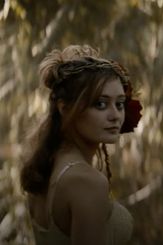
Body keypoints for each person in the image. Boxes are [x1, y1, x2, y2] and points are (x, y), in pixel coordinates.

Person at [20, 44, 142, 245]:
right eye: (100, 104)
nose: (115, 116)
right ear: (65, 108)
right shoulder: (86, 182)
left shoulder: (45, 166)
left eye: (119, 104)